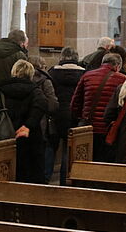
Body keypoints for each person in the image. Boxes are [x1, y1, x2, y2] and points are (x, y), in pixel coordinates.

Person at [0, 60, 47, 183]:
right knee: (30, 178)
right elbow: (42, 105)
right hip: (29, 140)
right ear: (30, 74)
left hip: (4, 139)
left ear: (13, 72)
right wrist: (28, 125)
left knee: (5, 177)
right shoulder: (35, 91)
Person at [70, 53, 126, 162]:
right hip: (107, 128)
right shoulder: (122, 79)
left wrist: (80, 118)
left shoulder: (87, 76)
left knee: (85, 161)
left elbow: (75, 101)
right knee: (104, 162)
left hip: (87, 127)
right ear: (118, 66)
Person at [47, 47, 84, 184]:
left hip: (56, 115)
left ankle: (45, 180)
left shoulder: (51, 73)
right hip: (75, 115)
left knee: (51, 147)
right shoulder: (84, 74)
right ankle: (65, 181)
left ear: (61, 57)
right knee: (67, 150)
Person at [28, 56, 59, 183]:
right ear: (41, 67)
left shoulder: (23, 79)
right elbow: (52, 105)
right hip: (41, 124)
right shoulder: (45, 81)